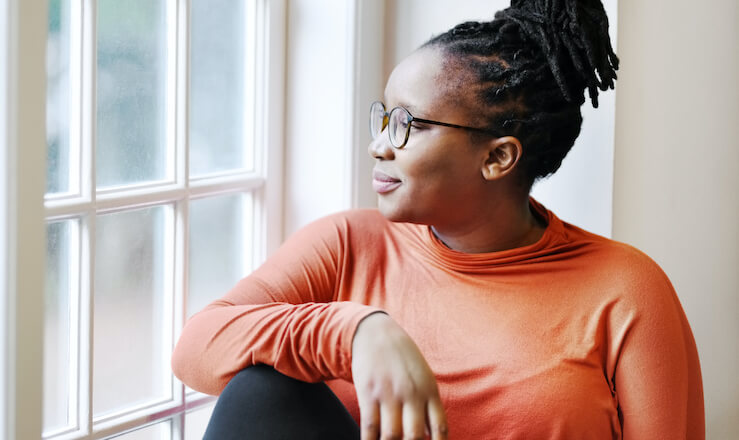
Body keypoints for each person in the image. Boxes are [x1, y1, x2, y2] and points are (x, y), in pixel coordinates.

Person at [172, 0, 705, 438]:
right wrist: (356, 330)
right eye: (382, 117)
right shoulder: (348, 244)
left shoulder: (627, 290)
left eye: (407, 124)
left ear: (498, 158)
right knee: (263, 391)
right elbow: (197, 347)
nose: (379, 146)